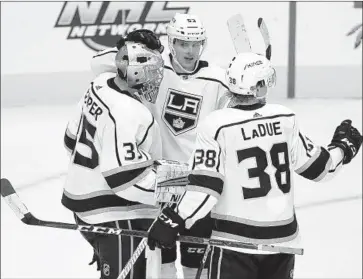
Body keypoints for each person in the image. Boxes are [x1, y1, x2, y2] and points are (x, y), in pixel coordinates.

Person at [147, 52, 363, 279]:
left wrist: (174, 219)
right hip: (283, 242)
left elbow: (206, 187)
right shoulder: (285, 118)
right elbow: (320, 168)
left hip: (235, 243)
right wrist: (343, 148)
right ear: (258, 87)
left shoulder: (217, 125)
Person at [90, 13, 229, 279]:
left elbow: (233, 123)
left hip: (195, 187)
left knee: (195, 267)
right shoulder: (150, 65)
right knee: (161, 265)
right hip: (158, 185)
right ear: (171, 43)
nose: (191, 50)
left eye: (196, 43)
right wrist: (129, 43)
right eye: (183, 43)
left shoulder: (219, 79)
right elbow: (98, 62)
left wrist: (243, 81)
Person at [61, 34, 165, 279]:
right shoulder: (130, 113)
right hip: (111, 215)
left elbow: (69, 141)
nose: (157, 76)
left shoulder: (99, 83)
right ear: (136, 72)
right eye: (151, 70)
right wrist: (172, 192)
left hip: (81, 205)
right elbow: (125, 181)